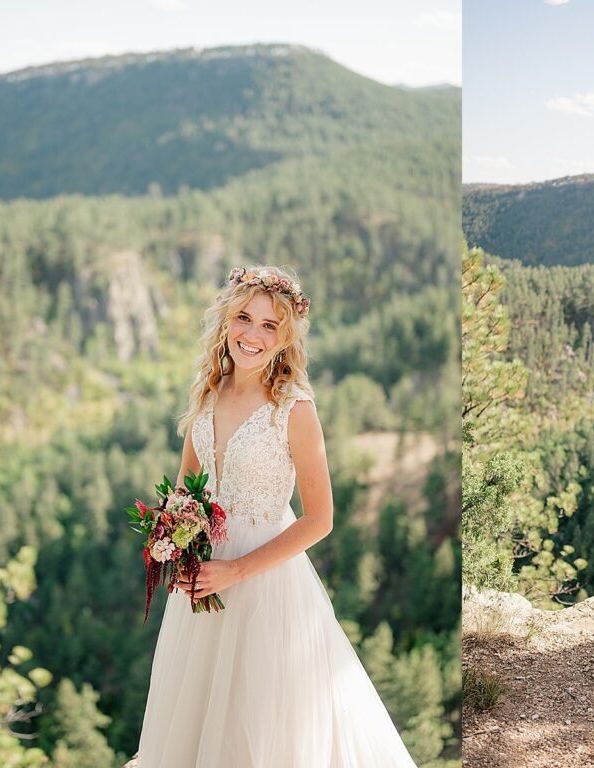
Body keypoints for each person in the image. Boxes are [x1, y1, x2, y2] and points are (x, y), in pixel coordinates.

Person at [137, 266, 417, 767]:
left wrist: (236, 570)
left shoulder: (294, 409)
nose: (253, 335)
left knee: (263, 725)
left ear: (286, 336)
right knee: (196, 721)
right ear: (226, 322)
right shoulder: (208, 393)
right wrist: (177, 546)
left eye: (270, 325)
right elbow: (185, 485)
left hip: (267, 587)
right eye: (245, 318)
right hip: (202, 582)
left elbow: (320, 519)